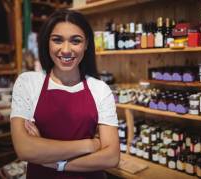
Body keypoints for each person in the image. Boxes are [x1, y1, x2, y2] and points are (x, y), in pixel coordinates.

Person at [10, 9, 120, 179]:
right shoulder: (28, 82)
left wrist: (54, 163)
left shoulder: (100, 89)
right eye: (57, 40)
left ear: (86, 44)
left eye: (76, 41)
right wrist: (90, 144)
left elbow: (111, 157)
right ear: (48, 43)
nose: (66, 50)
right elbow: (25, 149)